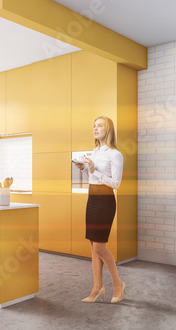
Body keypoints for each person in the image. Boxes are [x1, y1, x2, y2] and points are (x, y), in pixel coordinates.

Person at [72, 116, 125, 304]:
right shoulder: (94, 152)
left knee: (99, 247)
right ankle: (97, 288)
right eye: (94, 125)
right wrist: (84, 169)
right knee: (93, 248)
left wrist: (94, 170)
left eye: (100, 125)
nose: (95, 128)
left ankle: (118, 284)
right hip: (92, 199)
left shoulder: (114, 154)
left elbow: (116, 183)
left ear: (108, 129)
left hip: (105, 201)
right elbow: (92, 176)